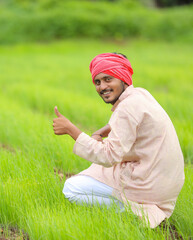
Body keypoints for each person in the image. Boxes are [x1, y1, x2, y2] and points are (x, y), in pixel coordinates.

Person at [52, 52, 185, 228]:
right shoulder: (140, 95)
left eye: (108, 79)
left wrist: (71, 130)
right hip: (163, 181)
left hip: (148, 184)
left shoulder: (126, 109)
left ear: (123, 78)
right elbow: (130, 123)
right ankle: (140, 208)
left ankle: (137, 213)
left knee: (71, 188)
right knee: (97, 167)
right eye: (97, 82)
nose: (102, 87)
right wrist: (104, 130)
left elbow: (108, 157)